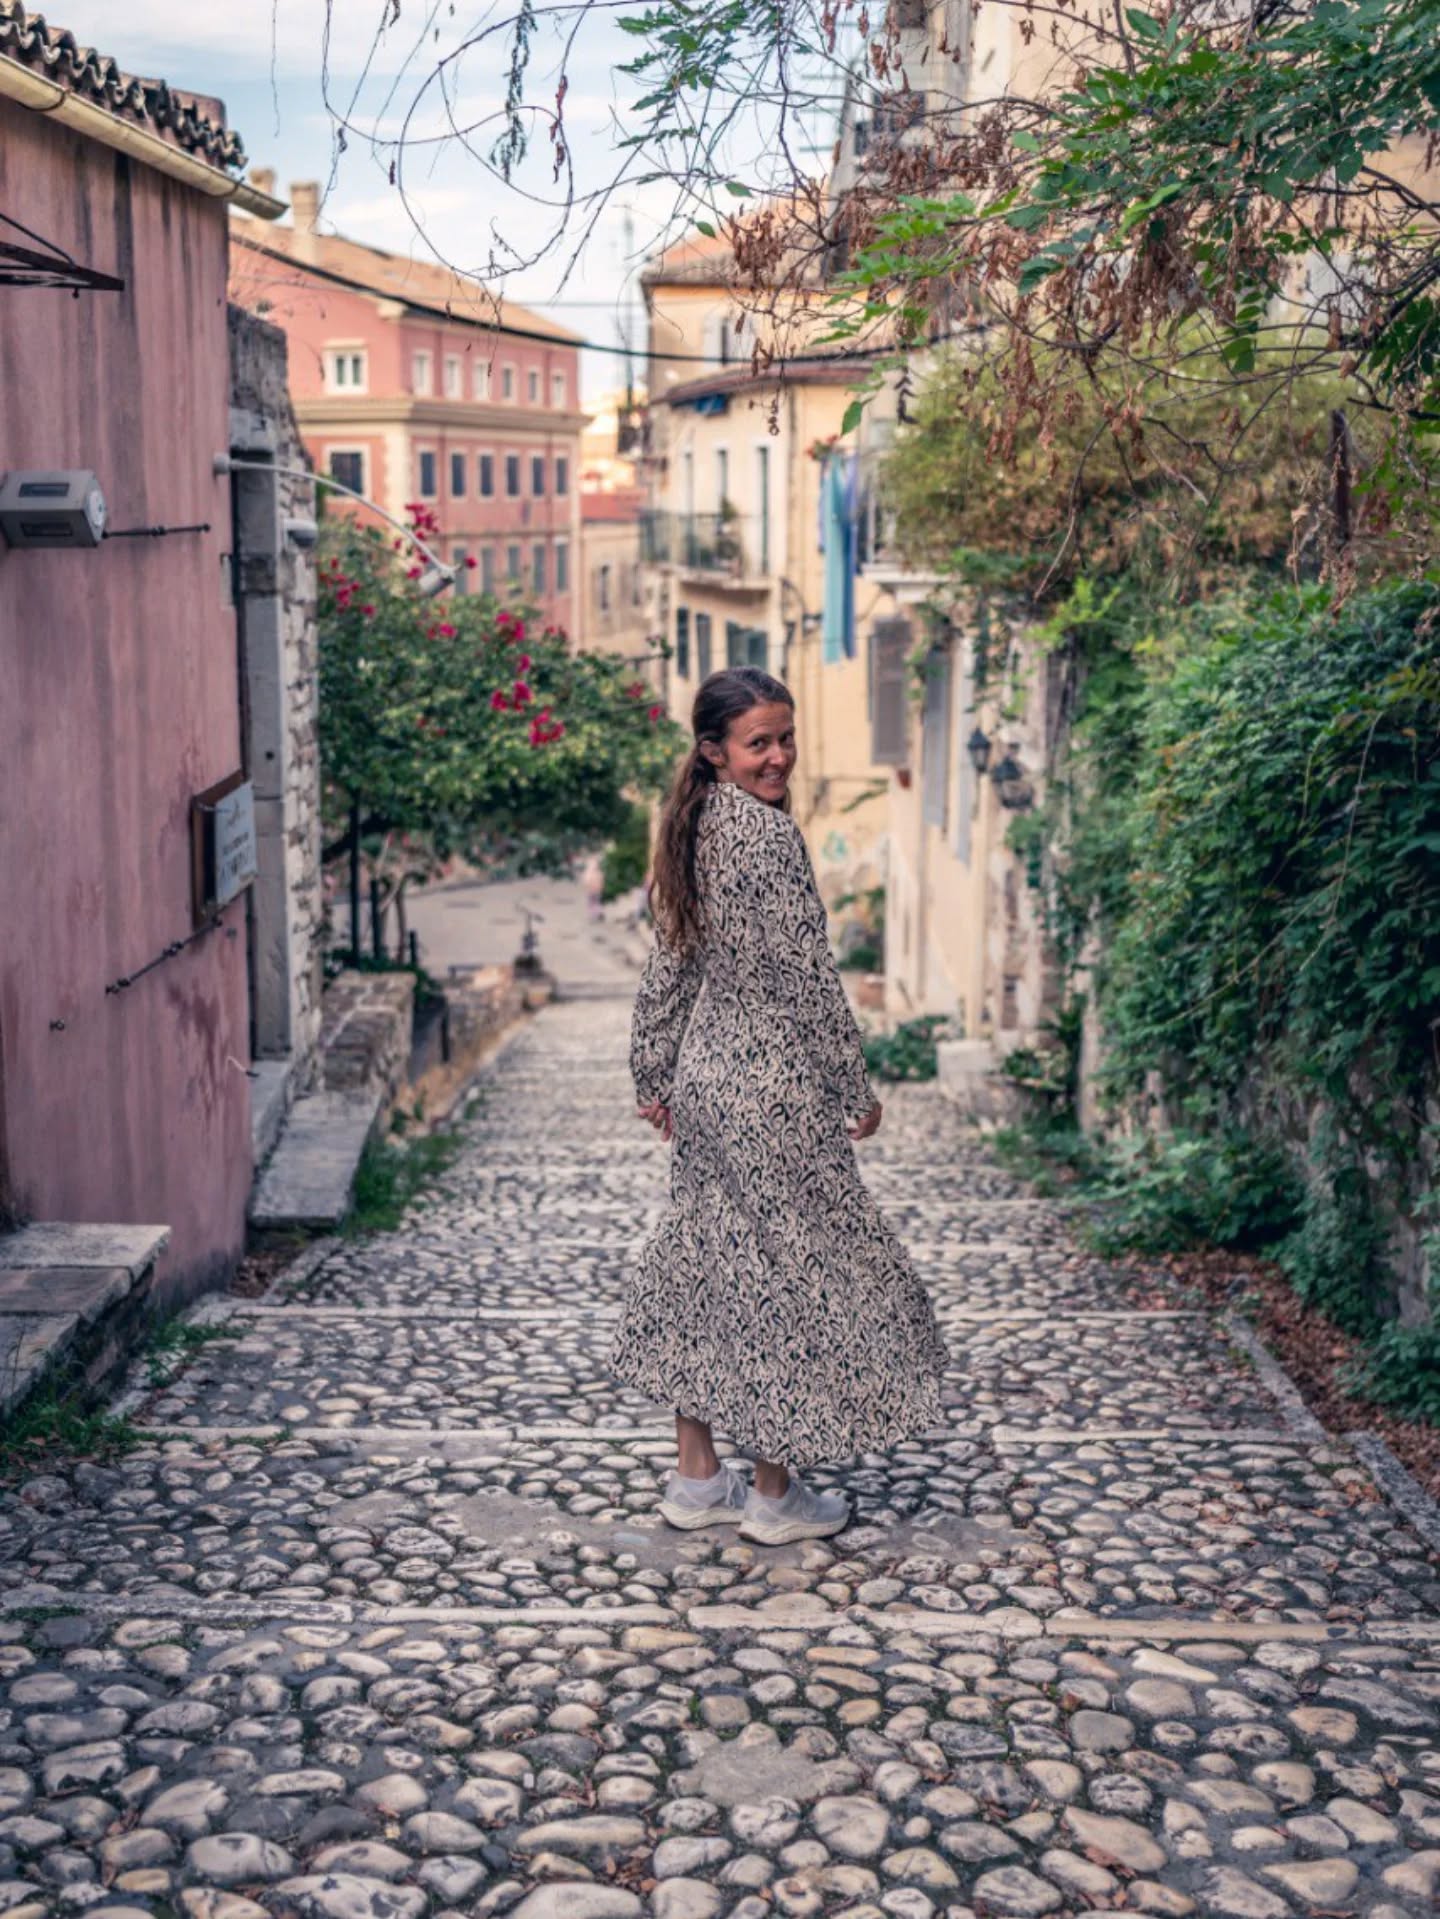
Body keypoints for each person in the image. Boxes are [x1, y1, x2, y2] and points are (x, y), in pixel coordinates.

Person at [609, 667, 947, 1545]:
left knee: (706, 1262)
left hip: (708, 1082)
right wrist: (852, 1086)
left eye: (787, 738)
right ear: (715, 751)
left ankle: (695, 1479)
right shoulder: (765, 837)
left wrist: (653, 1072)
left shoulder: (691, 829)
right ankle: (771, 1492)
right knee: (786, 1277)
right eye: (760, 742)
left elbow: (669, 965)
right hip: (776, 1089)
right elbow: (808, 979)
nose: (780, 757)